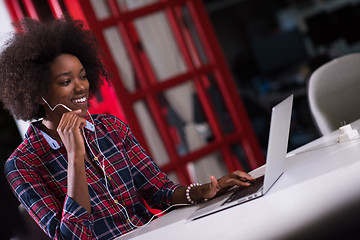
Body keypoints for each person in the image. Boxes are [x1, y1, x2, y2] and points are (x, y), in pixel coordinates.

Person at [0, 16, 254, 240]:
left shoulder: (111, 128)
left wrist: (208, 190)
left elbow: (160, 191)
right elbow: (73, 237)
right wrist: (74, 156)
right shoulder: (23, 165)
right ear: (37, 92)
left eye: (83, 76)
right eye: (66, 81)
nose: (81, 87)